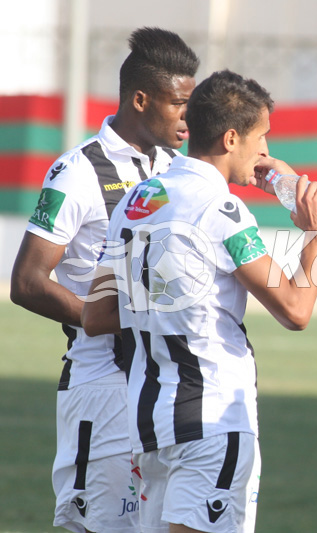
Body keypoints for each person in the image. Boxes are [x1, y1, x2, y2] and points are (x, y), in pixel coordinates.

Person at [81, 69, 317, 533]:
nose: (266, 153)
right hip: (212, 421)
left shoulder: (137, 199)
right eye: (262, 138)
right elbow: (296, 309)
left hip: (150, 424)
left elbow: (96, 316)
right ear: (231, 137)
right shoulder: (223, 210)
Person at [9, 27, 198, 533]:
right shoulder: (77, 171)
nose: (188, 116)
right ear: (141, 98)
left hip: (162, 386)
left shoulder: (176, 169)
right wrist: (112, 325)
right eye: (179, 103)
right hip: (102, 386)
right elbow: (27, 281)